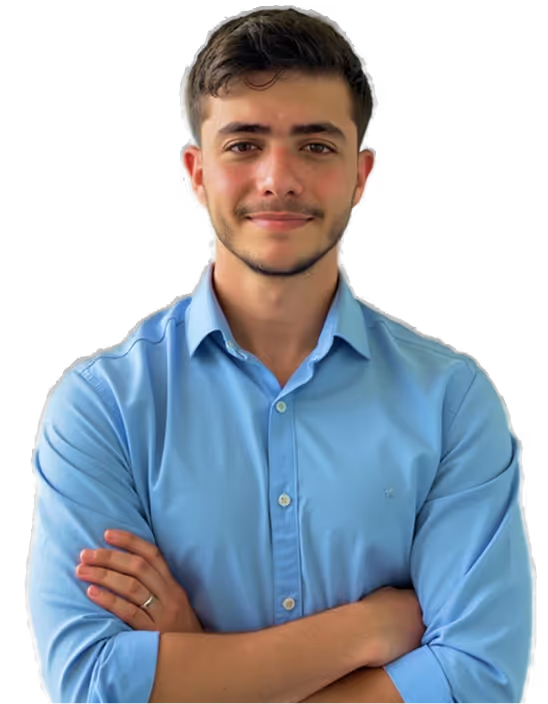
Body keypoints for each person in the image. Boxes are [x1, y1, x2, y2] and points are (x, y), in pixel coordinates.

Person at [26, 7, 535, 704]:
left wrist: (195, 662)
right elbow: (89, 683)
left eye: (316, 146)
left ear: (361, 177)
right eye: (244, 144)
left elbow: (479, 680)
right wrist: (367, 628)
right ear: (196, 174)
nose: (278, 179)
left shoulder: (453, 403)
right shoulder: (102, 407)